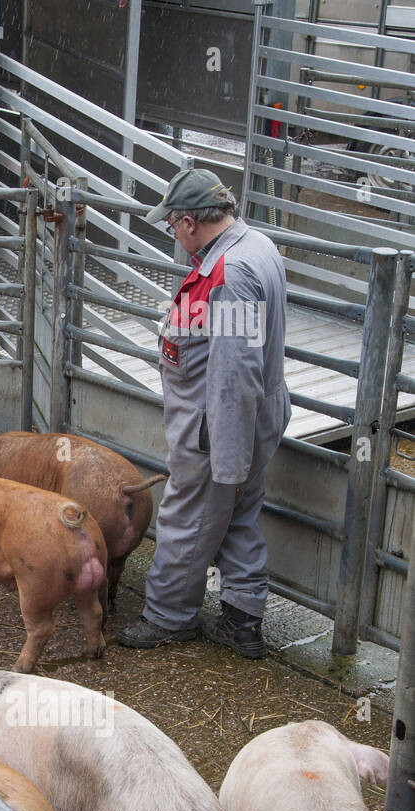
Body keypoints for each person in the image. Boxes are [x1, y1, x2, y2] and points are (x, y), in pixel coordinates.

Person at [117, 168, 291, 659]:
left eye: (173, 224)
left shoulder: (230, 275)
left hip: (218, 426)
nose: (173, 233)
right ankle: (242, 618)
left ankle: (170, 616)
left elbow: (235, 372)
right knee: (239, 515)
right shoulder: (255, 245)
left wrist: (228, 459)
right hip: (257, 416)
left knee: (188, 518)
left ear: (190, 221)